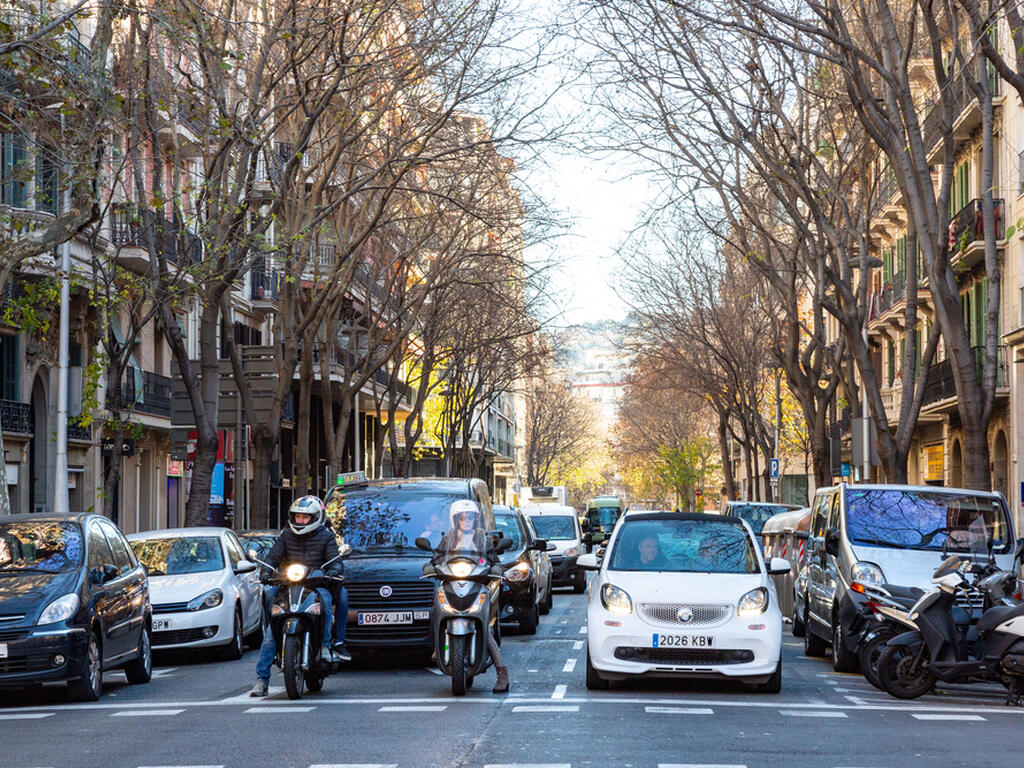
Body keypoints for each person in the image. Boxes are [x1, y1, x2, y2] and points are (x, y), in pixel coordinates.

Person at [250, 495, 350, 697]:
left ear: (315, 518)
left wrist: (333, 569)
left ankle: (324, 646)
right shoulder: (287, 535)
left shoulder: (326, 536)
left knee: (328, 599)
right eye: (297, 517)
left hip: (316, 584)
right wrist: (266, 571)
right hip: (289, 584)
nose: (300, 521)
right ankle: (262, 678)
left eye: (305, 518)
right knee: (270, 600)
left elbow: (333, 559)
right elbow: (273, 556)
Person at [436, 500, 510, 694]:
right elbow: (435, 558)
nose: (466, 520)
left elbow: (494, 559)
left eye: (470, 517)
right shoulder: (447, 539)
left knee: (484, 627)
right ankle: (436, 648)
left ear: (476, 519)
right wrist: (430, 566)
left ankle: (502, 672)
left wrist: (496, 568)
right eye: (462, 517)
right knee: (436, 612)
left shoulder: (483, 539)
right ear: (455, 519)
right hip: (452, 584)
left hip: (477, 585)